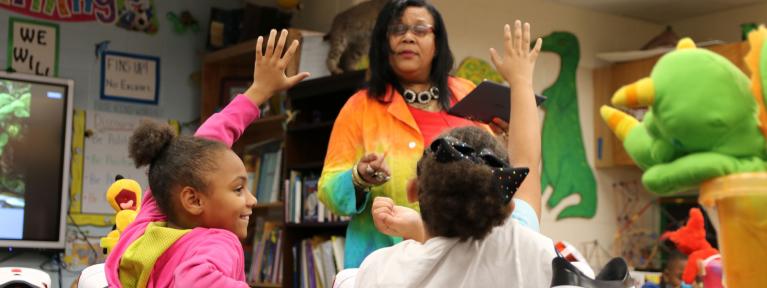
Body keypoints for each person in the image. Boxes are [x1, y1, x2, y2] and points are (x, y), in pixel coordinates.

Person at [318, 0, 537, 269]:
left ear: (437, 42)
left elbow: (508, 176)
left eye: (420, 30)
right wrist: (359, 178)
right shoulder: (359, 107)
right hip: (387, 267)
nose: (408, 37)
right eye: (397, 29)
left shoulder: (468, 92)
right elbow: (328, 190)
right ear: (383, 42)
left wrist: (505, 142)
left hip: (469, 262)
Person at [354, 20, 553, 287]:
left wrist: (417, 229)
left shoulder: (383, 268)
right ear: (509, 203)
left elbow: (445, 253)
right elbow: (527, 160)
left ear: (414, 191)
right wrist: (521, 80)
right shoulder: (523, 247)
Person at [104, 29, 310, 287]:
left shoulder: (148, 225)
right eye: (238, 189)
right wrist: (258, 91)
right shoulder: (216, 242)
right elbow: (196, 280)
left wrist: (258, 91)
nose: (252, 199)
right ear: (193, 199)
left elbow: (205, 146)